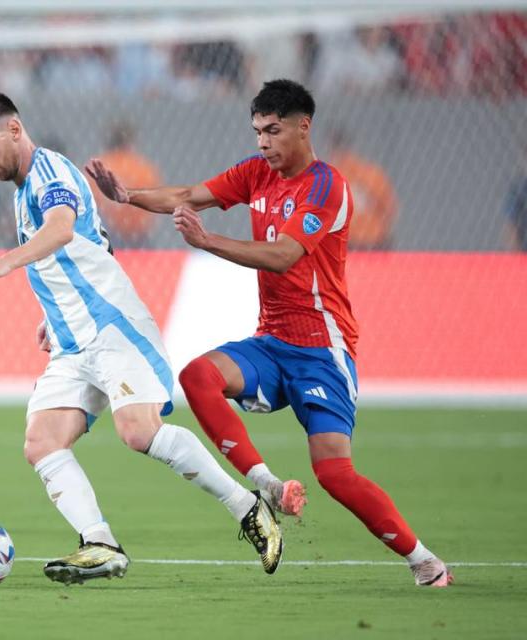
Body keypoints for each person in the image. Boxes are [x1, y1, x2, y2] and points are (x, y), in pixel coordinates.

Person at [87, 79, 453, 588]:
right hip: (272, 342)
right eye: (257, 130)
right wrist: (129, 196)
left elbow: (284, 255)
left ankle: (424, 560)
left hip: (323, 352)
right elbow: (190, 194)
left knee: (335, 476)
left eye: (273, 130)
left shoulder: (327, 185)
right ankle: (266, 485)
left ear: (304, 127)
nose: (262, 142)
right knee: (197, 376)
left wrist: (207, 241)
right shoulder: (257, 173)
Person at [0, 91, 282, 585]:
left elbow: (62, 230)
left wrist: (2, 263)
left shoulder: (51, 174)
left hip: (112, 329)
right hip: (73, 342)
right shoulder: (23, 190)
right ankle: (100, 543)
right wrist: (55, 313)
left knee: (138, 431)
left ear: (14, 129)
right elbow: (94, 245)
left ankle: (247, 508)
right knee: (42, 441)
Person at [86, 122, 162, 247]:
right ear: (129, 143)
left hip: (106, 232)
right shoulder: (141, 166)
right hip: (138, 233)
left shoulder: (98, 164)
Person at [325, 127, 398, 250]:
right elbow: (389, 209)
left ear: (332, 151)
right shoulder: (370, 172)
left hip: (350, 242)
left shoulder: (329, 177)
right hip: (375, 241)